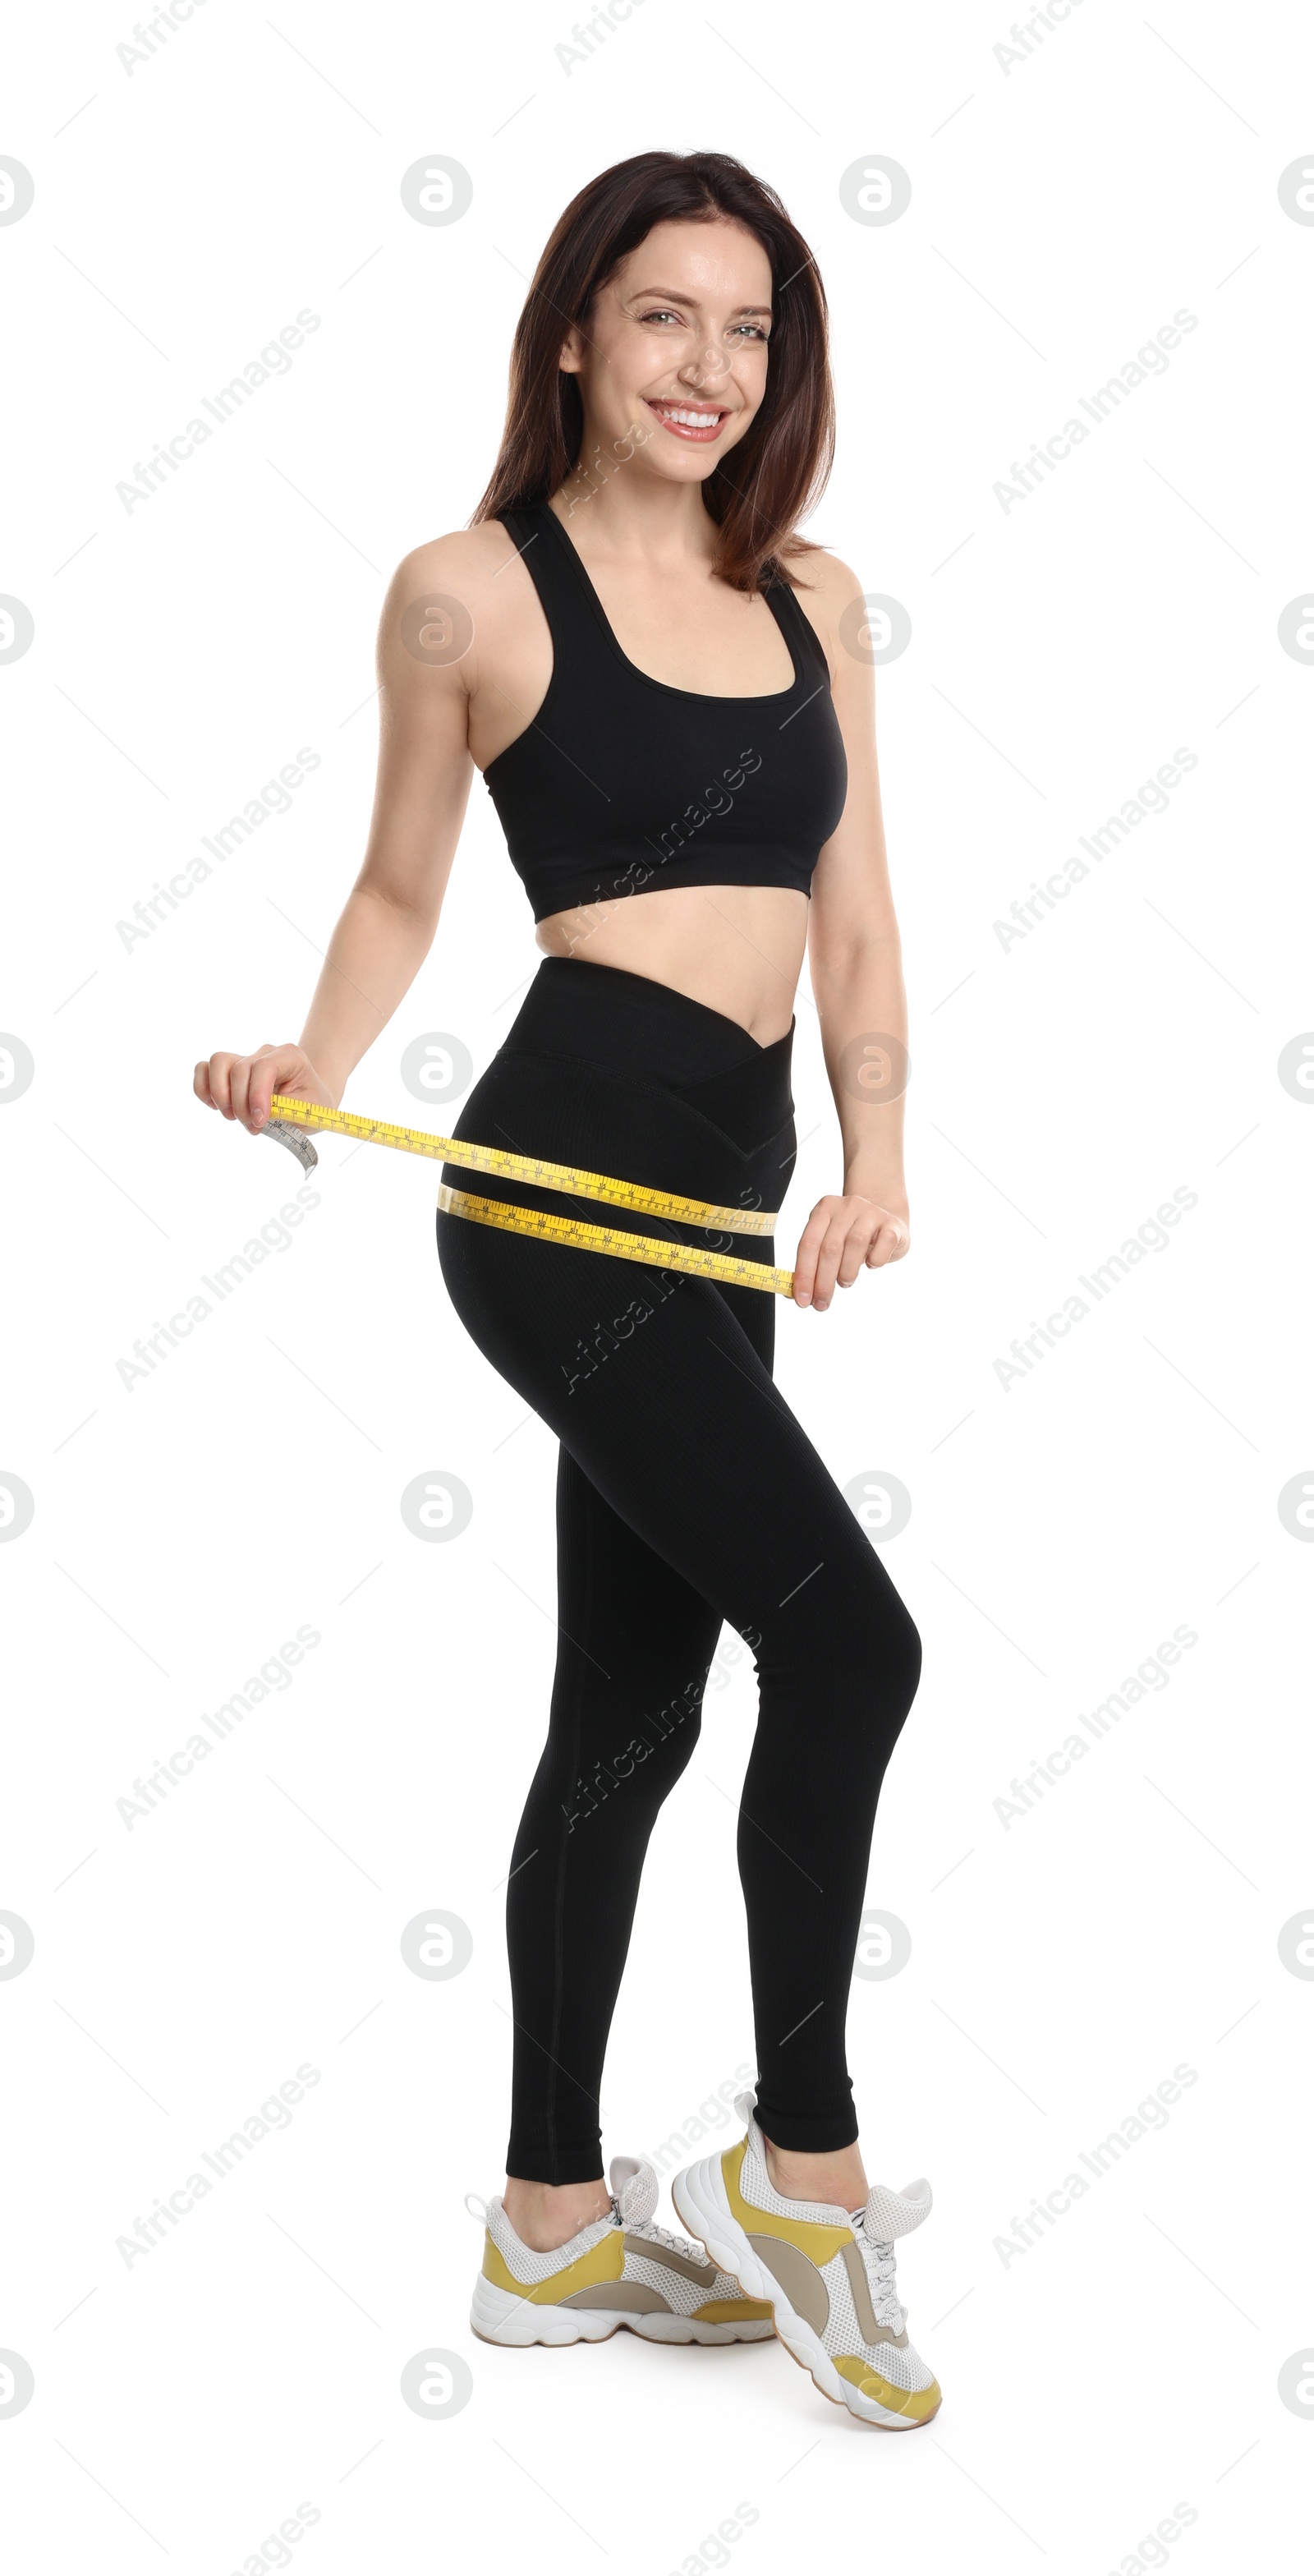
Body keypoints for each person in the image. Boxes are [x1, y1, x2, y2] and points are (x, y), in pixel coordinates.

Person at [195, 150, 939, 2429]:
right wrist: (315, 1058)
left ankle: (547, 2226)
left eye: (751, 330)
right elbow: (403, 885)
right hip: (558, 1177)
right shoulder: (465, 591)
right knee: (851, 1638)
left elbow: (862, 917)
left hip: (733, 1194)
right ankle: (803, 2171)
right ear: (573, 338)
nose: (710, 368)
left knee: (634, 1706)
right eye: (665, 320)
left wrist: (876, 1157)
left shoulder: (816, 594)